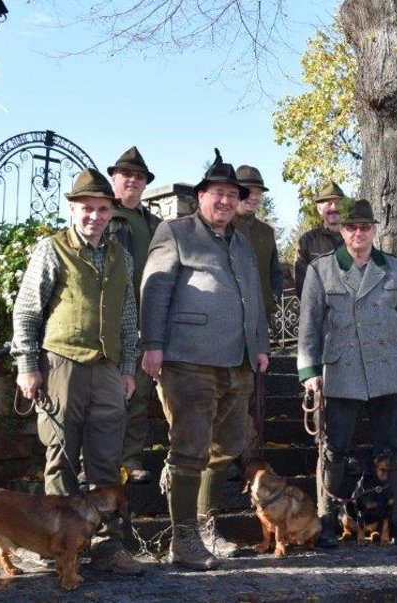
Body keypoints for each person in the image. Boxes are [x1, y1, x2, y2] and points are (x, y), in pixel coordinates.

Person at [141, 151, 270, 569]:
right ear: (201, 195)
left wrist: (261, 344)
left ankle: (203, 521)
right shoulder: (175, 232)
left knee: (230, 445)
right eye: (219, 193)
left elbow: (255, 299)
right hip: (189, 359)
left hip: (239, 362)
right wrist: (153, 344)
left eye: (233, 195)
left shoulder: (243, 243)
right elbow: (155, 289)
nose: (226, 202)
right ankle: (184, 540)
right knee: (189, 448)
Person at [11, 168, 142, 575]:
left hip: (106, 369)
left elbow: (127, 317)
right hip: (61, 363)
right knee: (61, 456)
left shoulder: (123, 256)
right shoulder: (52, 249)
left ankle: (107, 547)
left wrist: (126, 368)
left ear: (111, 213)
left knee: (106, 459)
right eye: (87, 208)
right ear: (72, 208)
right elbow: (28, 311)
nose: (95, 216)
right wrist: (28, 367)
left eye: (103, 209)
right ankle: (55, 546)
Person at [297, 199, 397, 547]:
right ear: (342, 230)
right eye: (352, 227)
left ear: (374, 230)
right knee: (334, 449)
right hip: (342, 370)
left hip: (387, 368)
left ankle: (393, 521)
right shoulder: (322, 269)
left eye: (365, 227)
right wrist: (309, 370)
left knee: (392, 448)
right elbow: (308, 325)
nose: (358, 233)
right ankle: (326, 520)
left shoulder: (394, 269)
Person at [105, 146, 162, 484]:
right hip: (107, 321)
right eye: (127, 175)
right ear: (114, 178)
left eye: (139, 177)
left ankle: (131, 459)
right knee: (103, 398)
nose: (133, 181)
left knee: (138, 395)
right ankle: (98, 462)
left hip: (143, 321)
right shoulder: (102, 215)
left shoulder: (155, 224)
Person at [233, 164, 284, 461]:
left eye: (259, 192)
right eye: (249, 191)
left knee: (256, 395)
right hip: (228, 323)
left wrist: (273, 297)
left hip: (259, 324)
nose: (254, 197)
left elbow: (275, 272)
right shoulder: (225, 226)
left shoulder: (266, 232)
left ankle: (252, 458)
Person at [294, 181, 346, 298]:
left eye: (337, 203)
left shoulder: (355, 238)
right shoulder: (306, 242)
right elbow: (301, 285)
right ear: (319, 209)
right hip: (321, 311)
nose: (334, 207)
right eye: (328, 203)